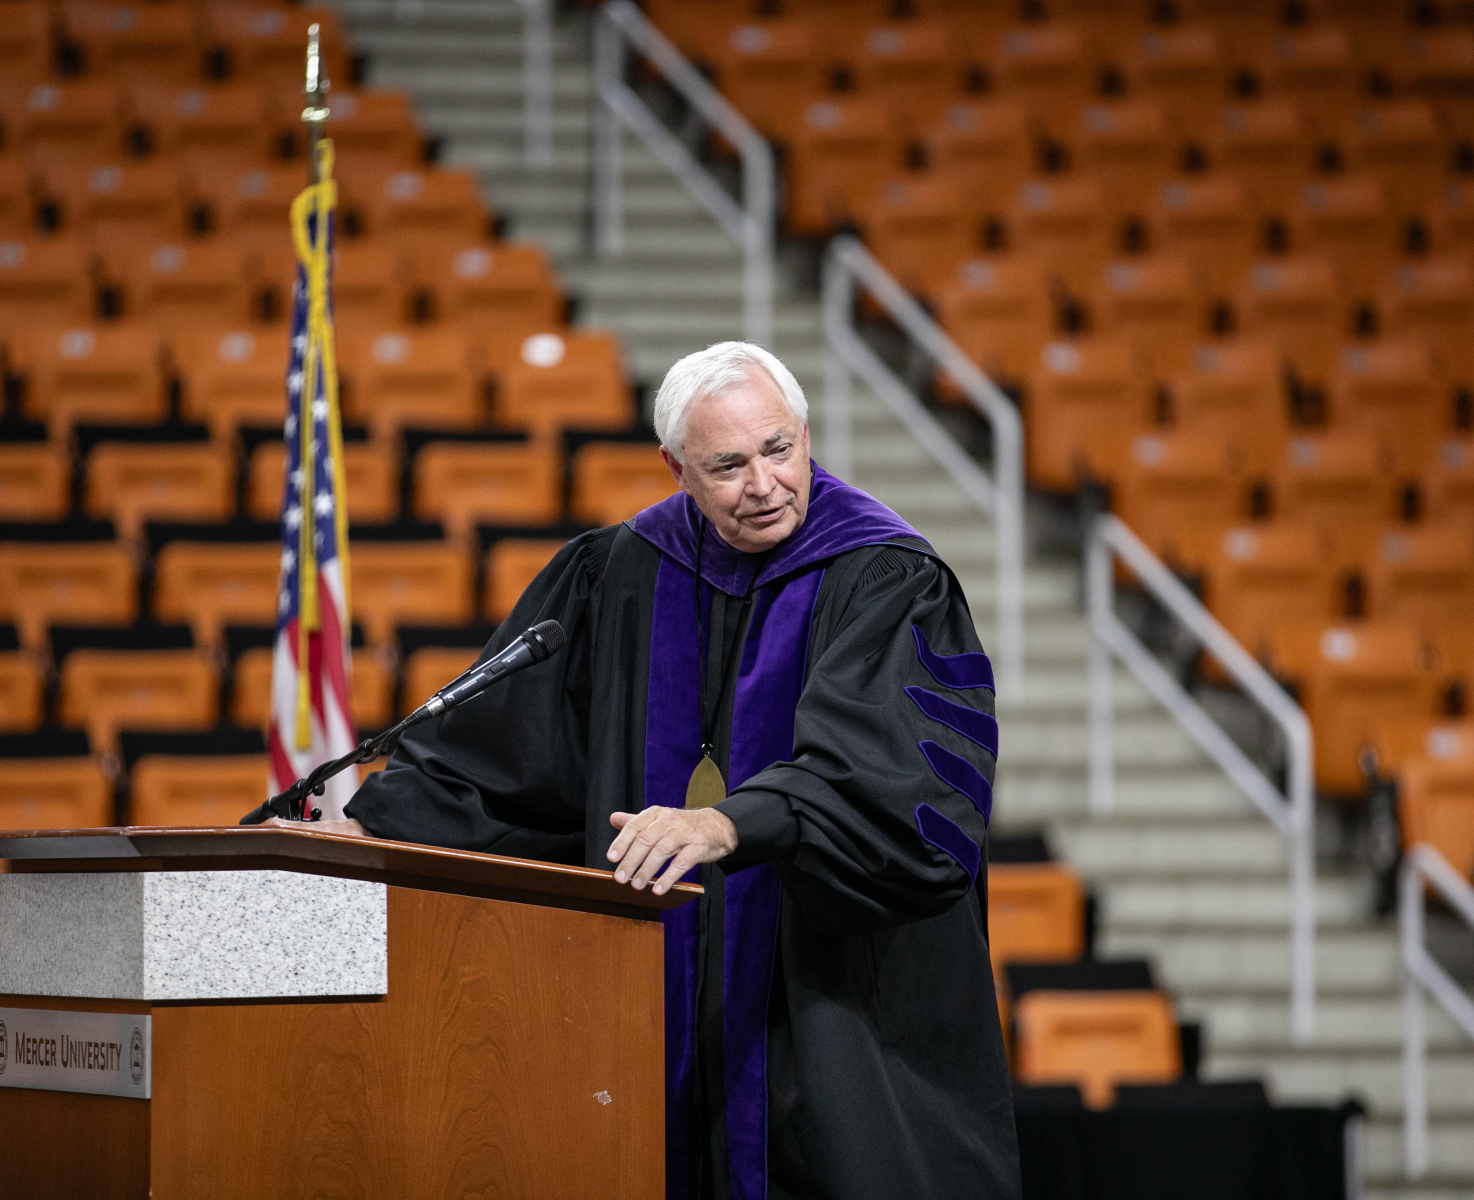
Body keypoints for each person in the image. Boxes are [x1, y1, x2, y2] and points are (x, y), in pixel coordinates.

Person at [312, 342, 1017, 1200]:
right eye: (727, 465)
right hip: (647, 1019)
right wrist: (370, 825)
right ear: (675, 468)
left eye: (779, 449)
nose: (763, 484)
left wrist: (729, 824)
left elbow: (905, 795)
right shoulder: (619, 574)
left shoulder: (886, 578)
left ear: (805, 434)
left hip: (834, 1023)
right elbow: (508, 760)